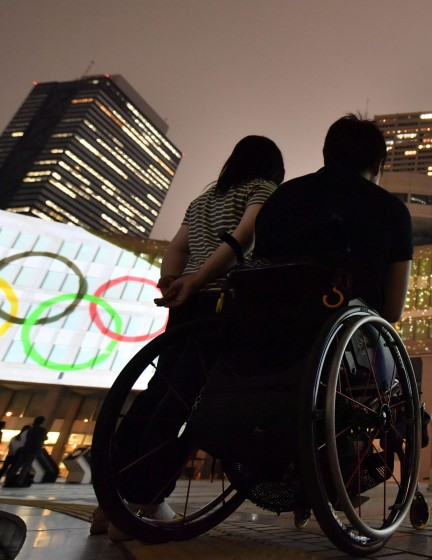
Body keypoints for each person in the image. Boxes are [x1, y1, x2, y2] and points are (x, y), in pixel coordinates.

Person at [92, 136, 285, 540]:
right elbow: (244, 237)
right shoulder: (262, 189)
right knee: (191, 404)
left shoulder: (203, 200)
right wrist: (199, 281)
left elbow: (176, 247)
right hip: (220, 301)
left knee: (158, 393)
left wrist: (174, 280)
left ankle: (109, 501)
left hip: (185, 307)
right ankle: (141, 498)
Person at [253, 114, 413, 324]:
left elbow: (259, 266)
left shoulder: (281, 197)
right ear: (378, 165)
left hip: (273, 327)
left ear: (326, 155)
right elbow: (393, 311)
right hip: (346, 337)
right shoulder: (392, 210)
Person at [6, 417, 47, 488]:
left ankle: (8, 480)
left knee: (17, 465)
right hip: (33, 450)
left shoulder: (30, 430)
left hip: (25, 449)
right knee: (26, 466)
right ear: (42, 422)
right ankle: (19, 481)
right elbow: (43, 438)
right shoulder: (42, 430)